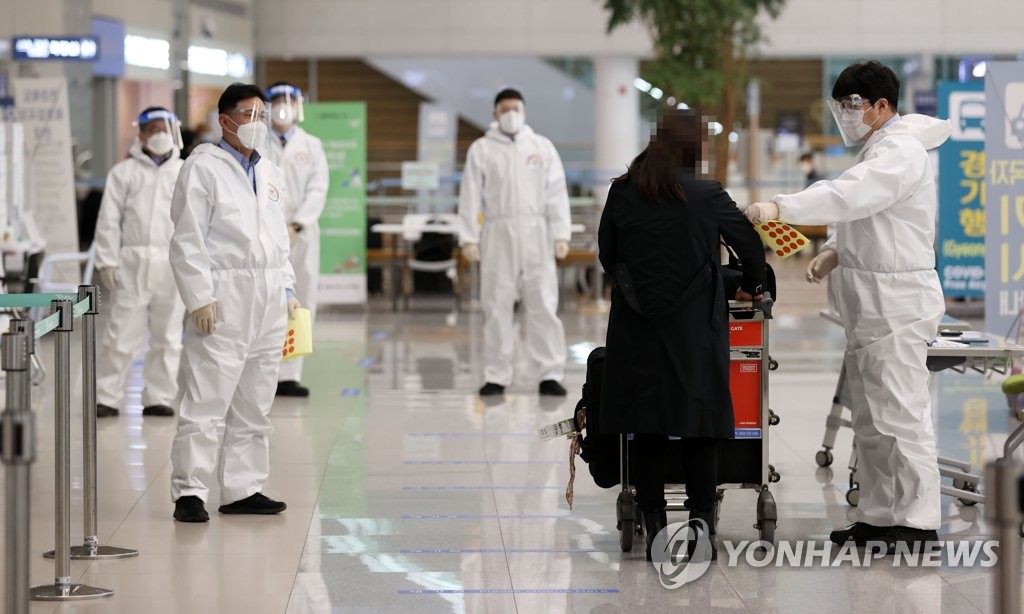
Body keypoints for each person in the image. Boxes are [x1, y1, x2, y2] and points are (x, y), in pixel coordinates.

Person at [745, 60, 951, 552]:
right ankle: (880, 515)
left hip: (898, 301)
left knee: (901, 415)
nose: (846, 115)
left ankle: (919, 521)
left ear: (883, 106)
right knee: (871, 419)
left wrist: (783, 207)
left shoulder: (901, 150)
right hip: (872, 300)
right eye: (840, 106)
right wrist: (837, 249)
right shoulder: (878, 148)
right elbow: (871, 214)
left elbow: (853, 195)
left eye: (854, 105)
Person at [599, 108, 767, 562]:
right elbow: (751, 246)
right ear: (694, 147)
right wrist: (752, 282)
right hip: (695, 328)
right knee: (699, 425)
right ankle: (700, 526)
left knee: (648, 425)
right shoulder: (706, 194)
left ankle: (654, 523)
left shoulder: (622, 191)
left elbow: (607, 255)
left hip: (636, 327)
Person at [168, 83, 301, 523]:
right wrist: (199, 297)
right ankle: (189, 490)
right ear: (224, 120)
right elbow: (187, 238)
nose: (258, 123)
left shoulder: (269, 171)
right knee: (207, 397)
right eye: (249, 115)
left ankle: (244, 488)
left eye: (262, 115)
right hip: (224, 296)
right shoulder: (202, 167)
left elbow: (278, 239)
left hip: (267, 298)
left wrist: (287, 287)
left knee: (255, 399)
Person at [457, 88, 572, 397]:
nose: (510, 113)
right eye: (504, 108)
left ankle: (550, 372)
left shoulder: (541, 147)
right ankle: (496, 374)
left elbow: (556, 192)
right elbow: (469, 195)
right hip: (497, 234)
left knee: (543, 304)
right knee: (496, 305)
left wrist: (562, 234)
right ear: (495, 113)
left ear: (524, 111)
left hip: (537, 234)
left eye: (515, 108)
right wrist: (469, 237)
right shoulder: (481, 149)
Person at [93, 107, 187, 418]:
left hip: (174, 263)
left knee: (169, 335)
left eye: (165, 127)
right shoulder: (124, 173)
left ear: (174, 130)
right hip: (133, 261)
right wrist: (107, 261)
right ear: (141, 133)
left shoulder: (186, 171)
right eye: (153, 128)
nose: (159, 133)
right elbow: (108, 220)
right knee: (121, 332)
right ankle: (107, 396)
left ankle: (159, 396)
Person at [264, 82, 329, 398]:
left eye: (289, 100)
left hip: (301, 233)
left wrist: (299, 223)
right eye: (276, 100)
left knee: (301, 298)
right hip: (265, 231)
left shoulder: (311, 145)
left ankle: (290, 374)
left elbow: (319, 188)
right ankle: (266, 370)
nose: (283, 106)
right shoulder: (260, 142)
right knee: (266, 299)